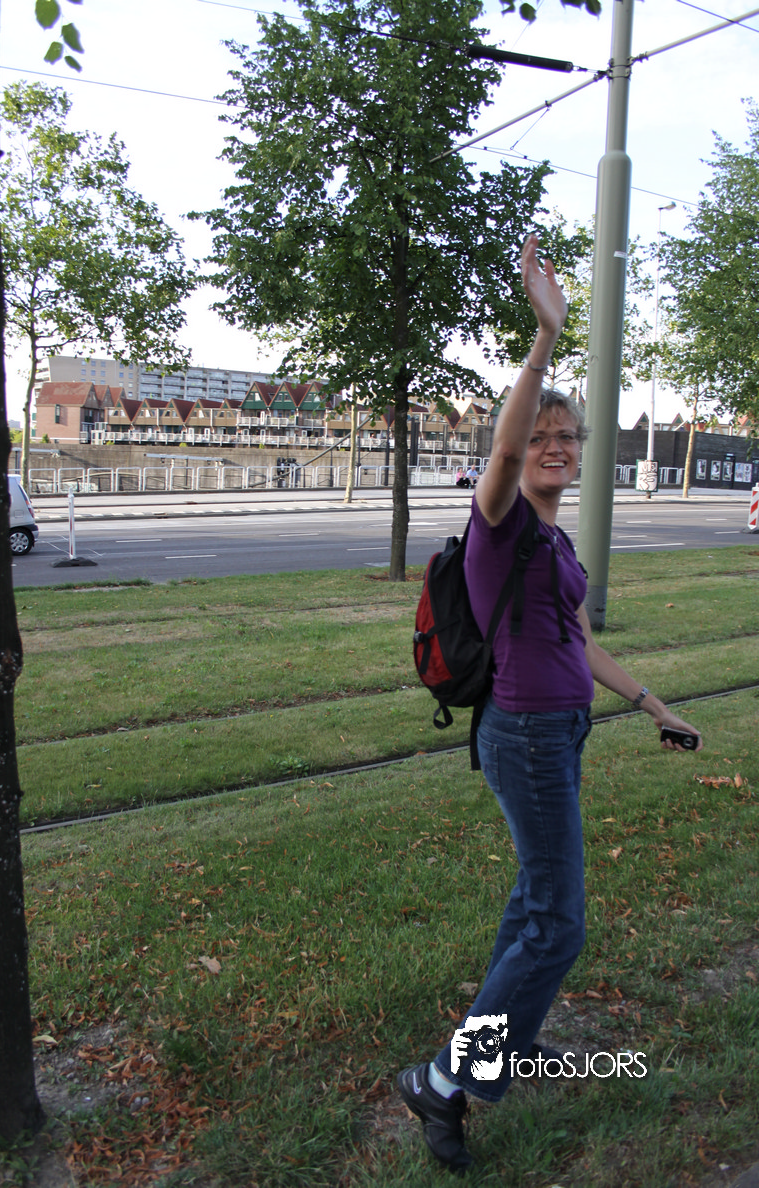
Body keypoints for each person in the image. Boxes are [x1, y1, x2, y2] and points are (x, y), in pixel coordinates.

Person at [397, 233, 702, 1174]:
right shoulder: (496, 524)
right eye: (543, 438)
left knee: (535, 900)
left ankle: (502, 1042)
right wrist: (546, 338)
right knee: (560, 924)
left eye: (568, 437)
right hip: (524, 734)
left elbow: (578, 641)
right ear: (520, 451)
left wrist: (652, 703)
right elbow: (500, 443)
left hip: (560, 729)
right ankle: (444, 1081)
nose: (556, 447)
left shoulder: (558, 545)